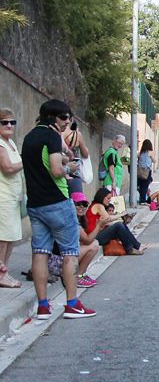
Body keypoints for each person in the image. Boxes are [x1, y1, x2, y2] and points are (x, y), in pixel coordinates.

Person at [21, 99, 96, 319]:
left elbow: (42, 162)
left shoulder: (29, 137)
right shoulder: (52, 136)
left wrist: (64, 156)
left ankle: (43, 306)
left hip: (35, 204)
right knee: (70, 253)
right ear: (53, 117)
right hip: (57, 202)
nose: (68, 122)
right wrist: (69, 167)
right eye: (65, 117)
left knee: (40, 253)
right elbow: (55, 170)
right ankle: (72, 304)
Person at [0, 108, 24, 288]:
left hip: (12, 197)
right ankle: (1, 274)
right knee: (4, 237)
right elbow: (7, 168)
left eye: (12, 122)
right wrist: (26, 161)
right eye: (4, 122)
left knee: (11, 237)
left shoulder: (11, 143)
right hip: (3, 197)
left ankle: (4, 271)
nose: (9, 125)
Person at [87, 188, 145, 255]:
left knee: (122, 225)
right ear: (102, 197)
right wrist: (121, 214)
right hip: (94, 237)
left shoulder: (100, 206)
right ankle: (129, 249)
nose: (109, 201)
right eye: (108, 198)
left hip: (98, 233)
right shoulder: (98, 206)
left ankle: (137, 245)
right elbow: (108, 219)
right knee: (119, 225)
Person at [62, 116, 90, 195]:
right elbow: (85, 155)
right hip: (74, 173)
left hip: (57, 172)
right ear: (71, 120)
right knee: (77, 203)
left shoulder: (55, 133)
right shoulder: (76, 134)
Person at [137, 139, 155, 205]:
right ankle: (143, 200)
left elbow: (138, 160)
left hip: (139, 171)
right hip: (147, 171)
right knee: (145, 186)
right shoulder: (151, 152)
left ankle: (141, 199)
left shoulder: (140, 153)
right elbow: (154, 161)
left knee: (140, 186)